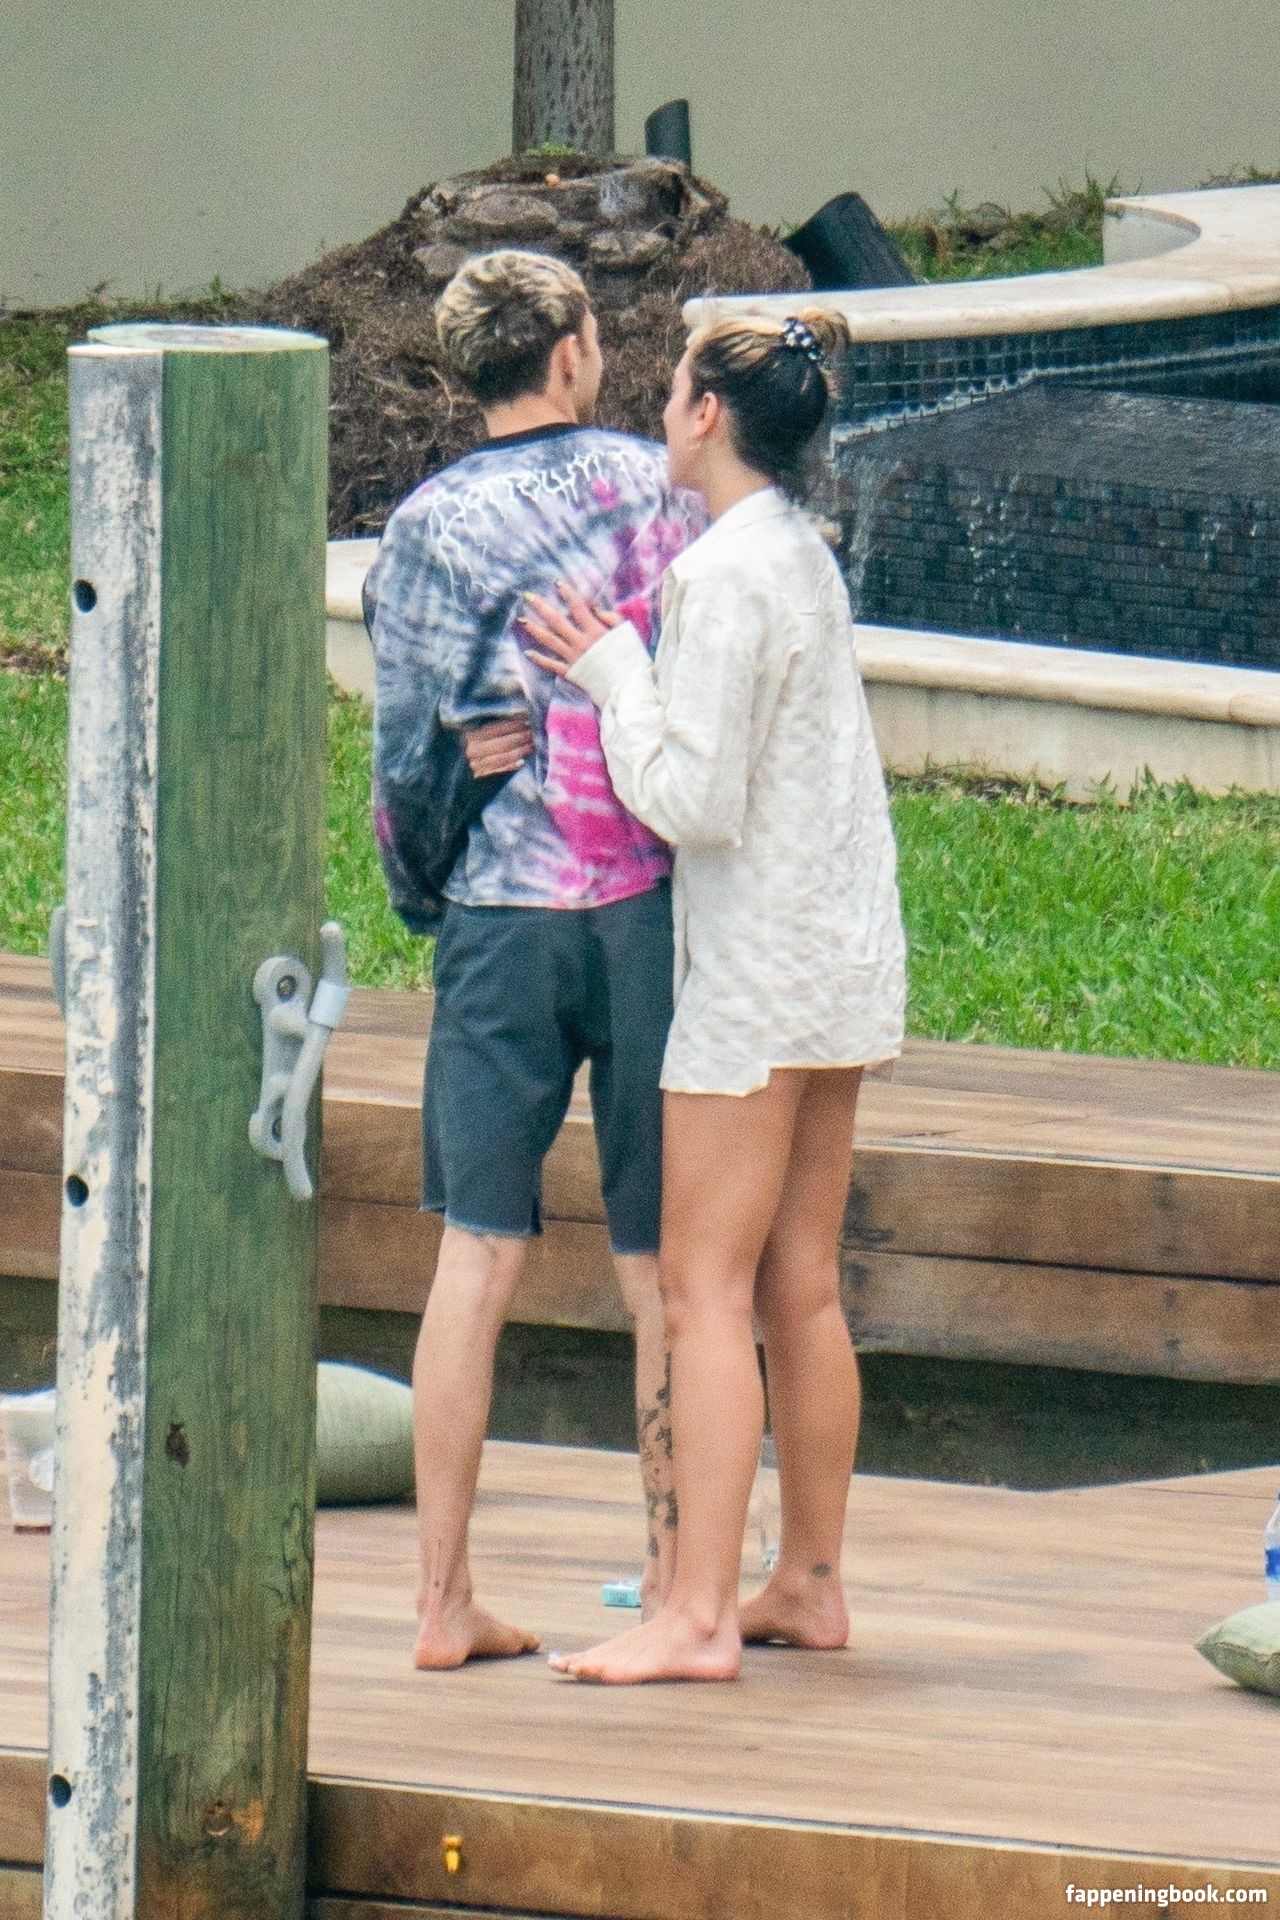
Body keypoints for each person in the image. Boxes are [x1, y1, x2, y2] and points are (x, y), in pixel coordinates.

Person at [517, 308, 907, 1683]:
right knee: (801, 1285)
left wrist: (612, 673)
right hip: (840, 958)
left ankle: (692, 1615)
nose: (661, 401)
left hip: (756, 977)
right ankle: (806, 1583)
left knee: (701, 1288)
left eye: (676, 385)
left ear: (706, 417)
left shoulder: (722, 575)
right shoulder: (800, 551)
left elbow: (693, 798)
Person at [365, 249, 702, 1668]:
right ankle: (677, 1580)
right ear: (571, 351)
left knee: (477, 1256)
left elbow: (406, 759)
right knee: (663, 1265)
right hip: (650, 910)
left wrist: (424, 896)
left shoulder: (426, 527)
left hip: (502, 923)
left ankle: (442, 1600)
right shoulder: (659, 487)